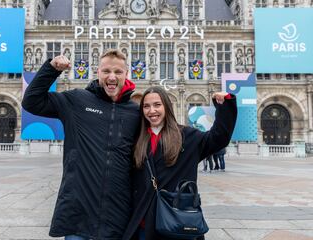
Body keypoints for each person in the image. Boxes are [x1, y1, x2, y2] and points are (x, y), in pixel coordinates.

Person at [22, 49, 141, 239]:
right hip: (78, 215)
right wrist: (51, 69)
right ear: (97, 72)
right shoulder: (77, 100)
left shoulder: (135, 112)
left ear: (127, 74)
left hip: (117, 217)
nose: (112, 77)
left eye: (118, 72)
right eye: (106, 71)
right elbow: (32, 102)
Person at [123, 86, 237, 240]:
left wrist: (225, 106)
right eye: (146, 106)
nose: (152, 111)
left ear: (167, 106)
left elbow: (219, 137)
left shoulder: (187, 136)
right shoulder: (136, 140)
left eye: (157, 105)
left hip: (176, 223)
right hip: (144, 223)